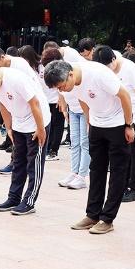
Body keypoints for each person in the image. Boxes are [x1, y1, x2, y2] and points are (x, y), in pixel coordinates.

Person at [46, 57, 135, 235]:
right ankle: (92, 214)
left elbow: (124, 95)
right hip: (97, 124)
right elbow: (83, 100)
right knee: (96, 170)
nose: (61, 90)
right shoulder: (70, 84)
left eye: (61, 86)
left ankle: (107, 219)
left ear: (70, 75)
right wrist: (89, 122)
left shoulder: (98, 74)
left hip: (117, 124)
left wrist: (129, 125)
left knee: (117, 172)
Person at [0, 65, 48, 215]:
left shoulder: (16, 79)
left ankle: (29, 202)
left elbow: (35, 103)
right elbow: (4, 107)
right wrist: (9, 129)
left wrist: (40, 128)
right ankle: (13, 198)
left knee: (34, 164)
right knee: (18, 162)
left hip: (36, 122)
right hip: (19, 122)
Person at [95, 45, 135, 203]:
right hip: (120, 118)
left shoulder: (129, 68)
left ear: (113, 59)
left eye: (108, 67)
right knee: (124, 154)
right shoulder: (103, 69)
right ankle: (122, 186)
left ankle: (132, 189)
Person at [58, 43, 90, 190]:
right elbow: (60, 91)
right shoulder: (57, 71)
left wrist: (89, 117)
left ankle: (82, 176)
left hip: (84, 111)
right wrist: (64, 107)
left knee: (84, 143)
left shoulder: (72, 59)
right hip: (73, 110)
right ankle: (74, 172)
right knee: (75, 142)